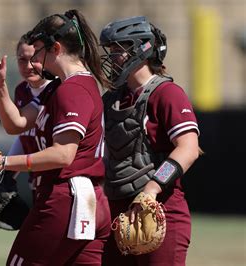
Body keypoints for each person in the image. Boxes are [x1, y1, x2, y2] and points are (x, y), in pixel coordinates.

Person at [0, 9, 112, 265]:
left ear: (55, 47)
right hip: (88, 200)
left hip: (65, 198)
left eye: (38, 50)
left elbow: (63, 154)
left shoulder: (72, 90)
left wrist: (3, 163)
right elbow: (16, 124)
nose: (33, 61)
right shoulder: (59, 87)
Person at [99, 16, 200, 266]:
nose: (112, 58)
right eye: (110, 52)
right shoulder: (111, 99)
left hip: (159, 210)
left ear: (141, 49)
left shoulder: (167, 93)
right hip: (117, 214)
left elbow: (188, 148)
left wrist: (152, 188)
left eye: (118, 51)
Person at [2, 32, 51, 203]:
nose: (29, 66)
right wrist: (8, 176)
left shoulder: (58, 89)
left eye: (35, 59)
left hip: (58, 181)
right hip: (35, 180)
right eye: (22, 59)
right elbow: (24, 134)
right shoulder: (22, 90)